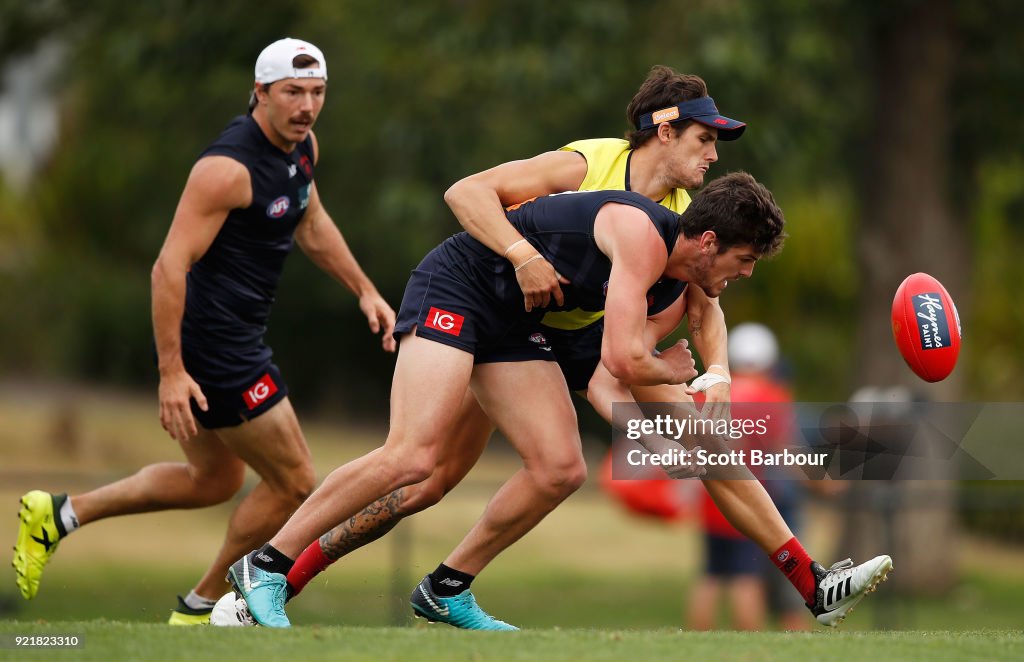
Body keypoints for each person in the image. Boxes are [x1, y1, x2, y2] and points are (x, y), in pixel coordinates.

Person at [241, 67, 889, 631]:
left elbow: (701, 312)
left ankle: (812, 582)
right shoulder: (592, 165)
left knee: (604, 461)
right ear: (662, 129)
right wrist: (525, 257)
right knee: (421, 472)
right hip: (484, 291)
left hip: (561, 327)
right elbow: (467, 194)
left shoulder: (693, 216)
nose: (713, 154)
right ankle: (271, 574)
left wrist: (712, 374)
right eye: (704, 137)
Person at [228, 171, 787, 628]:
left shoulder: (677, 254)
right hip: (460, 286)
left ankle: (447, 588)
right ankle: (267, 564)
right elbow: (619, 361)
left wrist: (687, 395)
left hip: (516, 322)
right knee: (413, 456)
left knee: (561, 467)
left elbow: (636, 359)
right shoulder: (628, 211)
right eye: (746, 259)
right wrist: (666, 370)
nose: (746, 272)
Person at [11, 37, 397, 625]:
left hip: (231, 338)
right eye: (292, 93)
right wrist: (172, 373)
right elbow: (168, 267)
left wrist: (365, 289)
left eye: (317, 93)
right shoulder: (225, 169)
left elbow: (311, 222)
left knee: (214, 480)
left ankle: (57, 515)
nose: (306, 107)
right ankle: (202, 605)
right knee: (295, 483)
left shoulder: (302, 148)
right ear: (260, 93)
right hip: (218, 347)